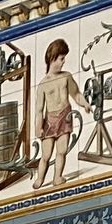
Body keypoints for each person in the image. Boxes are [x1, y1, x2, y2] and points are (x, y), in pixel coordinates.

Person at [33, 40, 83, 189]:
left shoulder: (66, 76)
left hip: (65, 117)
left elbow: (76, 94)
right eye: (61, 58)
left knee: (61, 151)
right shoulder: (43, 84)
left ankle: (57, 177)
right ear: (52, 58)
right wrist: (38, 127)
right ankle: (40, 179)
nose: (63, 62)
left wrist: (85, 104)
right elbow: (39, 109)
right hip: (50, 121)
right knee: (46, 155)